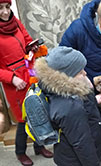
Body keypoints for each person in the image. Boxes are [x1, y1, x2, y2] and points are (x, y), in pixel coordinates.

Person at [59, 0, 101, 165]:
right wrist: (87, 87)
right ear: (98, 18)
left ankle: (100, 152)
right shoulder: (78, 29)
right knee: (81, 127)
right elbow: (63, 61)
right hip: (78, 84)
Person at [0, 0, 53, 165]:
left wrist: (32, 47)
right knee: (23, 119)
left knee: (38, 111)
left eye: (7, 7)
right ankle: (20, 152)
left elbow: (27, 39)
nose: (5, 12)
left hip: (30, 73)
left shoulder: (15, 22)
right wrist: (12, 78)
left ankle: (39, 146)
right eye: (0, 8)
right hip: (14, 83)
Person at [34, 46, 101, 166]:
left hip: (66, 152)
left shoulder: (57, 91)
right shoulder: (70, 107)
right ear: (68, 76)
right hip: (76, 160)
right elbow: (82, 143)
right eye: (80, 71)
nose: (85, 72)